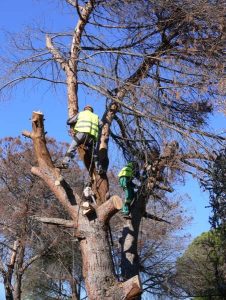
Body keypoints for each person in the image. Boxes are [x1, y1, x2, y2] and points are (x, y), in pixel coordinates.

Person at [58, 105, 102, 172]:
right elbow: (101, 124)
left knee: (72, 148)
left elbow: (69, 121)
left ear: (85, 109)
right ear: (91, 110)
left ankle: (65, 163)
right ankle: (98, 168)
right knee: (94, 153)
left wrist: (70, 120)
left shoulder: (81, 113)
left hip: (81, 134)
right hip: (91, 138)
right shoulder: (96, 116)